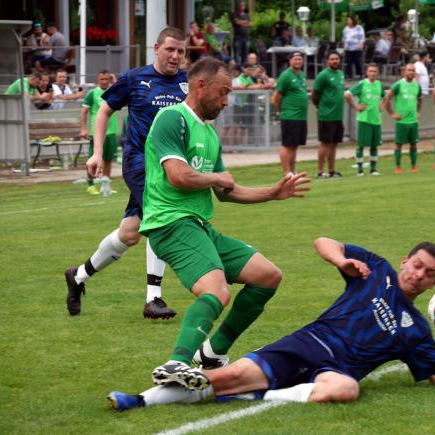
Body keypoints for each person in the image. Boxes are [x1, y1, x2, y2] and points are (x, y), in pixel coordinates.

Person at [108, 237, 435, 410]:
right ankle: (138, 400)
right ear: (406, 261)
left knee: (346, 390)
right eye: (417, 265)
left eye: (429, 275)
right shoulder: (377, 269)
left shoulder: (417, 332)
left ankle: (260, 396)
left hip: (339, 371)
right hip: (309, 342)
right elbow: (323, 241)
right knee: (226, 375)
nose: (419, 275)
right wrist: (340, 259)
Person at [129, 57, 310, 391]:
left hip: (198, 225)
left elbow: (226, 191)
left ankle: (212, 354)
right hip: (170, 222)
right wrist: (216, 176)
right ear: (201, 86)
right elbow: (179, 176)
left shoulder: (209, 133)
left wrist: (272, 192)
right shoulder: (172, 118)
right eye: (223, 92)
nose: (227, 101)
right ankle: (177, 363)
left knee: (268, 276)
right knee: (216, 291)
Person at [64, 27, 189, 320]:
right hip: (139, 163)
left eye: (181, 51)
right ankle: (153, 298)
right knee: (162, 215)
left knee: (130, 233)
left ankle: (78, 276)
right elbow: (104, 110)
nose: (175, 56)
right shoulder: (136, 78)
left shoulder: (187, 82)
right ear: (156, 48)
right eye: (170, 49)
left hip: (170, 165)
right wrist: (96, 152)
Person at [80, 70, 119, 195]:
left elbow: (124, 91)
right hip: (96, 132)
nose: (104, 81)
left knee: (108, 159)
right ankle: (90, 184)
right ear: (98, 80)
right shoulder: (92, 94)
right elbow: (84, 112)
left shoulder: (113, 92)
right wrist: (83, 128)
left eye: (106, 79)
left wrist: (115, 81)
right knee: (94, 159)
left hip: (111, 131)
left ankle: (105, 183)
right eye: (101, 79)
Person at [345, 63, 386, 176]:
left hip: (376, 119)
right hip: (364, 119)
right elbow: (347, 94)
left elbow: (386, 96)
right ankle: (360, 170)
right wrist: (355, 107)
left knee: (374, 145)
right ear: (367, 73)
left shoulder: (379, 84)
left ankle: (373, 169)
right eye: (371, 71)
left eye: (375, 71)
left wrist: (382, 105)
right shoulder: (362, 84)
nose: (373, 73)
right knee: (361, 145)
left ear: (377, 73)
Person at [274, 52, 309, 175]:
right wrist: (280, 111)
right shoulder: (285, 76)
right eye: (295, 59)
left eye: (300, 59)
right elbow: (276, 97)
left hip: (301, 117)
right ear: (290, 61)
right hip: (290, 116)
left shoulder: (302, 75)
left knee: (294, 145)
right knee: (287, 145)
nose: (298, 61)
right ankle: (287, 172)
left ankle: (292, 171)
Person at [312, 51, 345, 178]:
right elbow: (315, 95)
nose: (335, 61)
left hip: (338, 115)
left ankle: (331, 170)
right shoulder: (323, 75)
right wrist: (319, 107)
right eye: (332, 59)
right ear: (327, 61)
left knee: (334, 143)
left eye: (336, 59)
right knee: (325, 143)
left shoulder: (341, 74)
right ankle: (320, 171)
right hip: (326, 115)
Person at [384, 63, 422, 173]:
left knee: (413, 144)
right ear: (404, 72)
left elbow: (420, 99)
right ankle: (398, 167)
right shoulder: (398, 85)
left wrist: (418, 112)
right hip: (402, 121)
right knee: (399, 144)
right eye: (409, 70)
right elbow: (387, 99)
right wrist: (392, 114)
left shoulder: (417, 85)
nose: (411, 72)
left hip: (413, 121)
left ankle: (414, 166)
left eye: (413, 70)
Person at [342, 16, 365, 80]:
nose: (348, 21)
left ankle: (360, 74)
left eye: (349, 20)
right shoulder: (345, 29)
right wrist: (344, 45)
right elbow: (344, 38)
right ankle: (349, 76)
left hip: (357, 47)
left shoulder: (358, 28)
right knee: (348, 62)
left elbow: (362, 36)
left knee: (357, 61)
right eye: (347, 20)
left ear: (353, 20)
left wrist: (361, 43)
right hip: (348, 48)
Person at [231, 1, 251, 66]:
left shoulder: (247, 15)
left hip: (246, 37)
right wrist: (244, 22)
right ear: (238, 6)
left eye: (243, 5)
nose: (242, 7)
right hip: (238, 38)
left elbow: (250, 24)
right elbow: (237, 22)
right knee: (237, 55)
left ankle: (243, 68)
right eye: (241, 5)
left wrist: (241, 23)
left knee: (245, 54)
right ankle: (237, 69)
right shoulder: (234, 14)